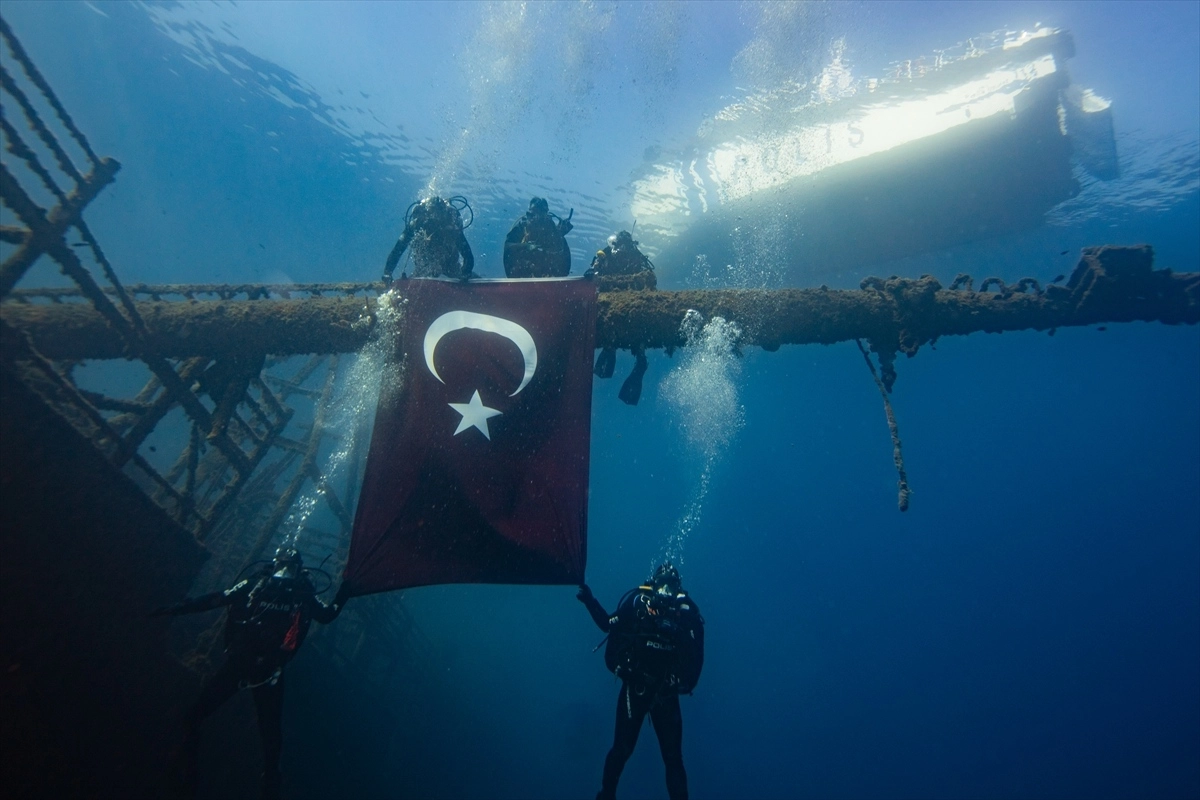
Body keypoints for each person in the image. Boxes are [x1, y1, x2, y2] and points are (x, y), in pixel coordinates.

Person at [152, 548, 348, 799]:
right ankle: (189, 771)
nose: (284, 572)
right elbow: (220, 598)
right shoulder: (265, 585)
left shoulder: (296, 591)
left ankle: (266, 781)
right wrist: (178, 608)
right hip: (250, 666)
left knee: (264, 734)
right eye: (282, 566)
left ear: (297, 570)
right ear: (275, 565)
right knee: (247, 728)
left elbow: (326, 614)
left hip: (261, 669)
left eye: (289, 567)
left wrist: (346, 589)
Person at [577, 562, 704, 800]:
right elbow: (607, 624)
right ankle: (606, 795)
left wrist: (678, 630)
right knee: (622, 749)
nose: (665, 592)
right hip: (636, 688)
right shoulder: (638, 604)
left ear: (678, 589)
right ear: (653, 585)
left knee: (672, 758)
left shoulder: (684, 613)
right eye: (662, 585)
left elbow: (695, 653)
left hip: (665, 692)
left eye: (670, 587)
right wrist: (590, 601)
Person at [383, 195, 474, 282]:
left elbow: (467, 254)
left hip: (449, 262)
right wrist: (387, 273)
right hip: (424, 265)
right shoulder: (417, 224)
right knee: (425, 270)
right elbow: (398, 250)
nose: (434, 221)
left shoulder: (450, 226)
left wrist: (466, 272)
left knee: (453, 269)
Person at [503, 196, 574, 278]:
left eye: (539, 216)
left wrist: (559, 235)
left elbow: (563, 261)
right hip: (524, 273)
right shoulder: (522, 226)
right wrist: (526, 247)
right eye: (531, 214)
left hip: (548, 273)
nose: (534, 219)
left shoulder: (551, 229)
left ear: (545, 215)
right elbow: (508, 247)